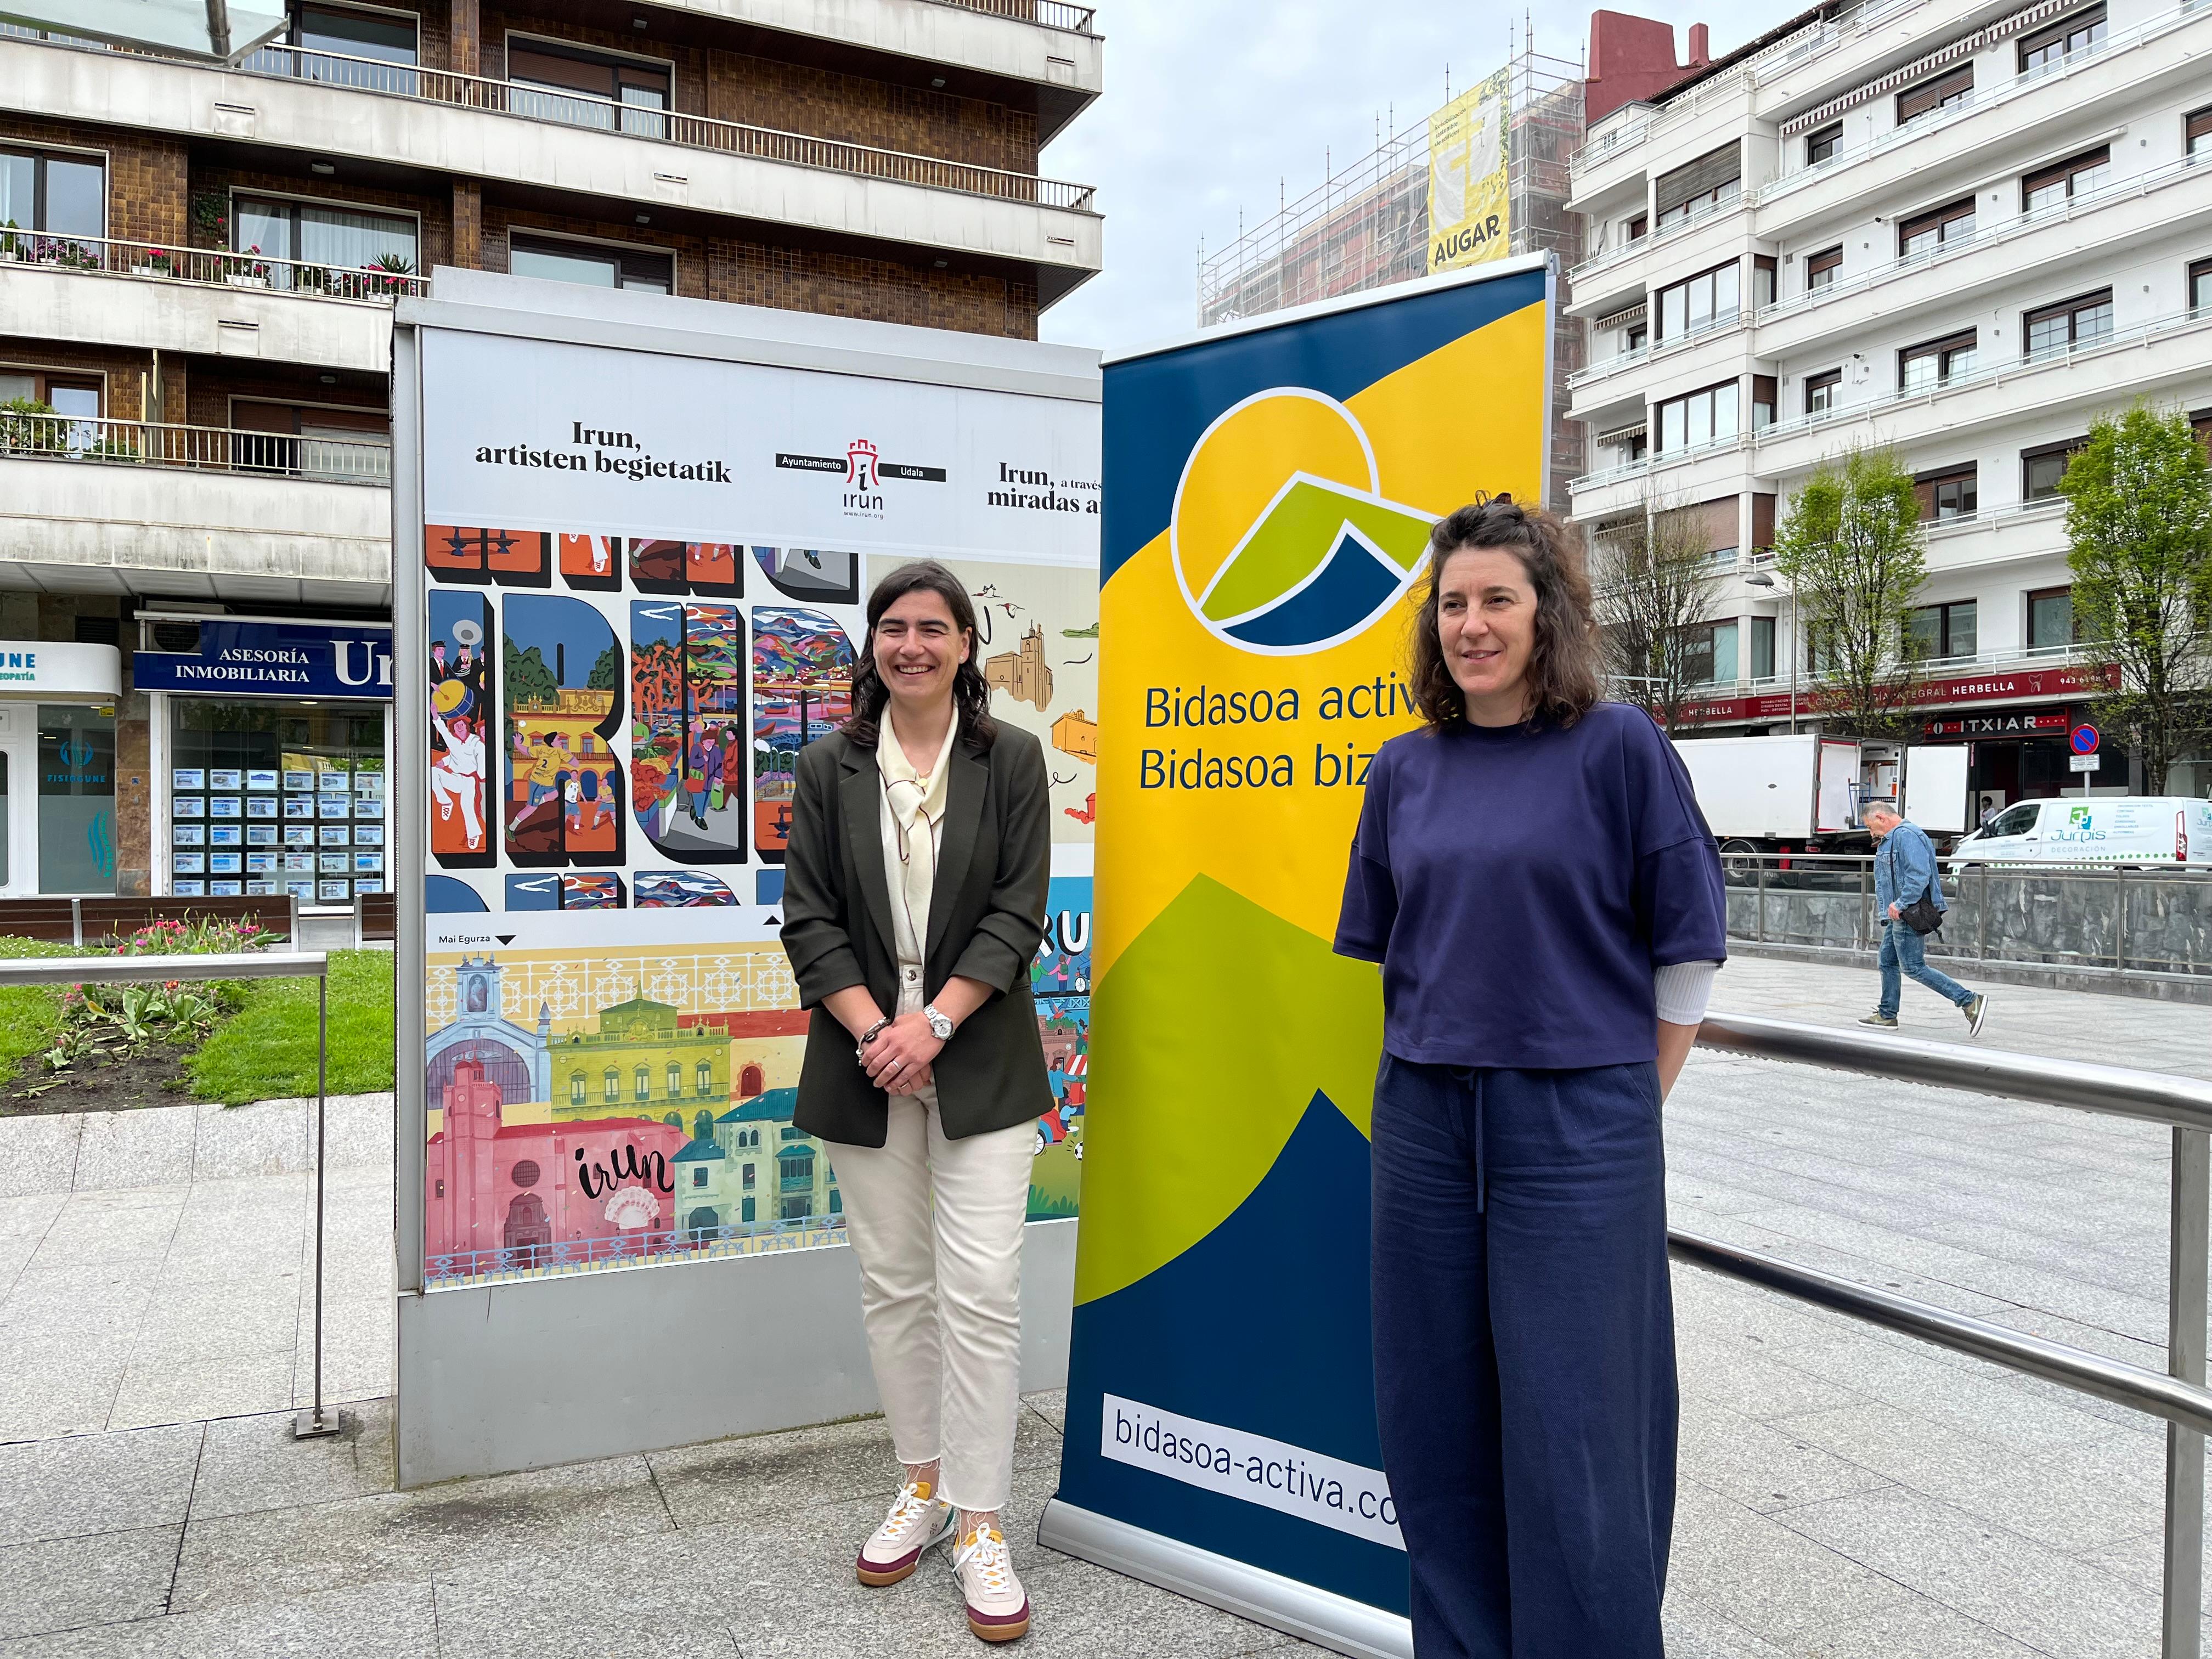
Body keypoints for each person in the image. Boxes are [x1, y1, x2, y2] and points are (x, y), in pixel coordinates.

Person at [1333, 499, 1728, 1659]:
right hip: (1424, 1119)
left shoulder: (1619, 747)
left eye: (1497, 598)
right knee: (1434, 1421)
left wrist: (1625, 1101)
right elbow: (1401, 953)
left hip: (1579, 1122)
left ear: (1545, 612)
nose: (1471, 623)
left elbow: (1689, 952)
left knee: (1578, 1432)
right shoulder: (1403, 769)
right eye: (1452, 603)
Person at [780, 559, 1052, 1645]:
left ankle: (981, 1520)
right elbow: (809, 920)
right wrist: (876, 1034)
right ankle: (925, 1484)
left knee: (980, 1290)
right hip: (864, 1057)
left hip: (977, 1053)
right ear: (872, 644)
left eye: (932, 628)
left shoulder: (1011, 759)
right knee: (896, 1286)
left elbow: (1017, 913)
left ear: (966, 645)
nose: (911, 645)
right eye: (893, 627)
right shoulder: (826, 766)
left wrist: (931, 1024)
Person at [1860, 801, 1988, 1034]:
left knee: (1913, 967)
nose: (1871, 833)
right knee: (1887, 961)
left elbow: (1918, 875)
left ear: (1881, 818)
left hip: (1908, 912)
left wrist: (1901, 903)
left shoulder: (1906, 836)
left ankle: (1969, 1000)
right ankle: (1887, 1014)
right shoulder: (1896, 837)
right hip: (1900, 913)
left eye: (1870, 827)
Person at [429, 712, 483, 851]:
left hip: (470, 780)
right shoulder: (453, 741)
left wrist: (482, 776)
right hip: (456, 778)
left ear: (466, 727)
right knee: (433, 772)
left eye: (461, 725)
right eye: (456, 726)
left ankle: (473, 835)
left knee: (467, 806)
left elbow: (481, 762)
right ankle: (445, 802)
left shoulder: (476, 743)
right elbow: (445, 735)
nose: (459, 728)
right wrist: (435, 715)